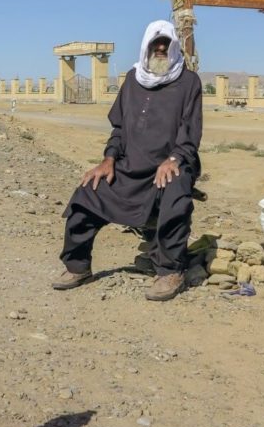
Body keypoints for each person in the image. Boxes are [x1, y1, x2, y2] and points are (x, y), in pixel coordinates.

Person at [53, 19, 202, 302]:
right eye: (154, 44)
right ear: (145, 47)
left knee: (175, 195)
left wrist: (174, 158)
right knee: (87, 192)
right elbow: (119, 129)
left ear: (172, 48)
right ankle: (77, 267)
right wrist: (108, 159)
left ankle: (170, 270)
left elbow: (191, 131)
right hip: (130, 164)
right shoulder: (133, 80)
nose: (160, 49)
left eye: (165, 44)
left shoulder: (188, 81)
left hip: (171, 164)